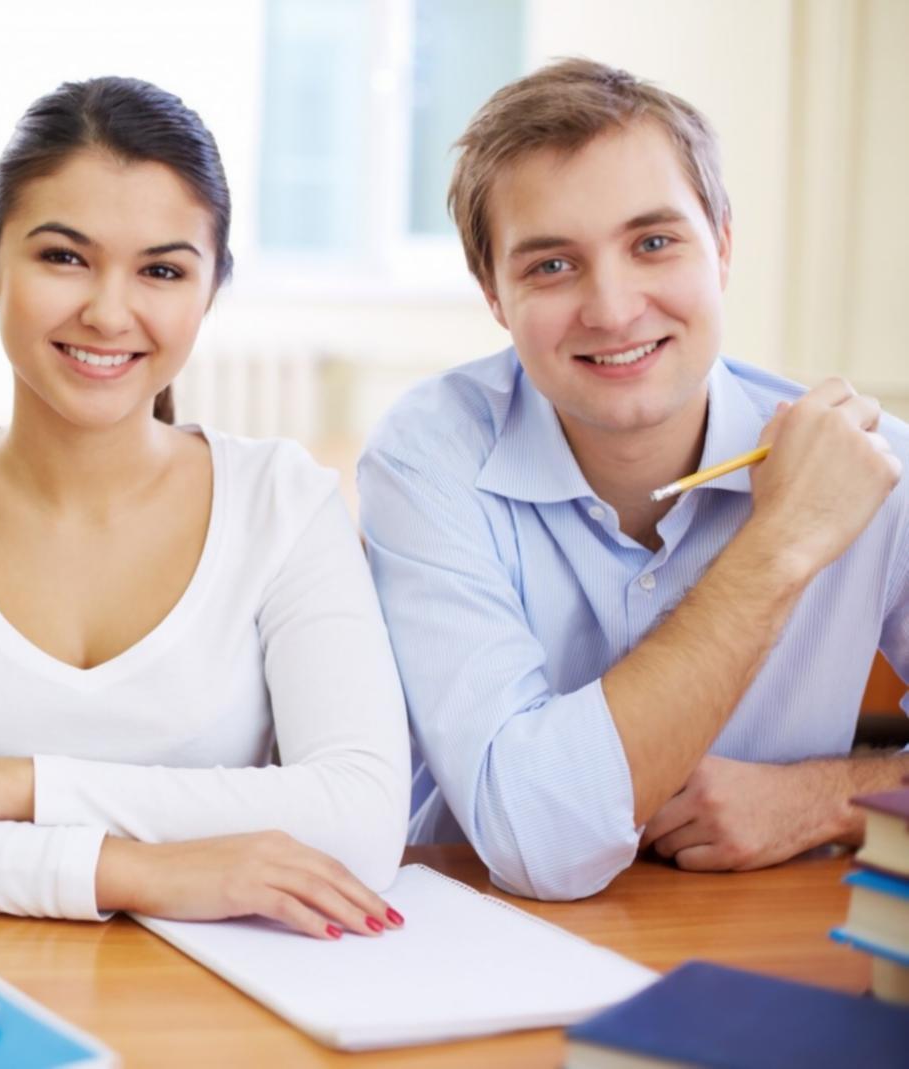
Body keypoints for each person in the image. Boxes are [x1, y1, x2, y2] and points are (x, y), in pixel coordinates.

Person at [0, 77, 409, 939]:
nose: (108, 311)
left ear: (211, 289)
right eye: (64, 257)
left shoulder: (284, 502)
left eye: (163, 270)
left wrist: (8, 786)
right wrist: (135, 870)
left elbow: (358, 819)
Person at [360, 58, 909, 901]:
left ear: (721, 246)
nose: (613, 309)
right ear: (494, 296)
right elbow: (537, 841)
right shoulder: (429, 458)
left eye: (654, 243)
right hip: (477, 938)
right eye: (551, 265)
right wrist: (782, 542)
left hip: (772, 945)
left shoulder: (871, 466)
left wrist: (823, 799)